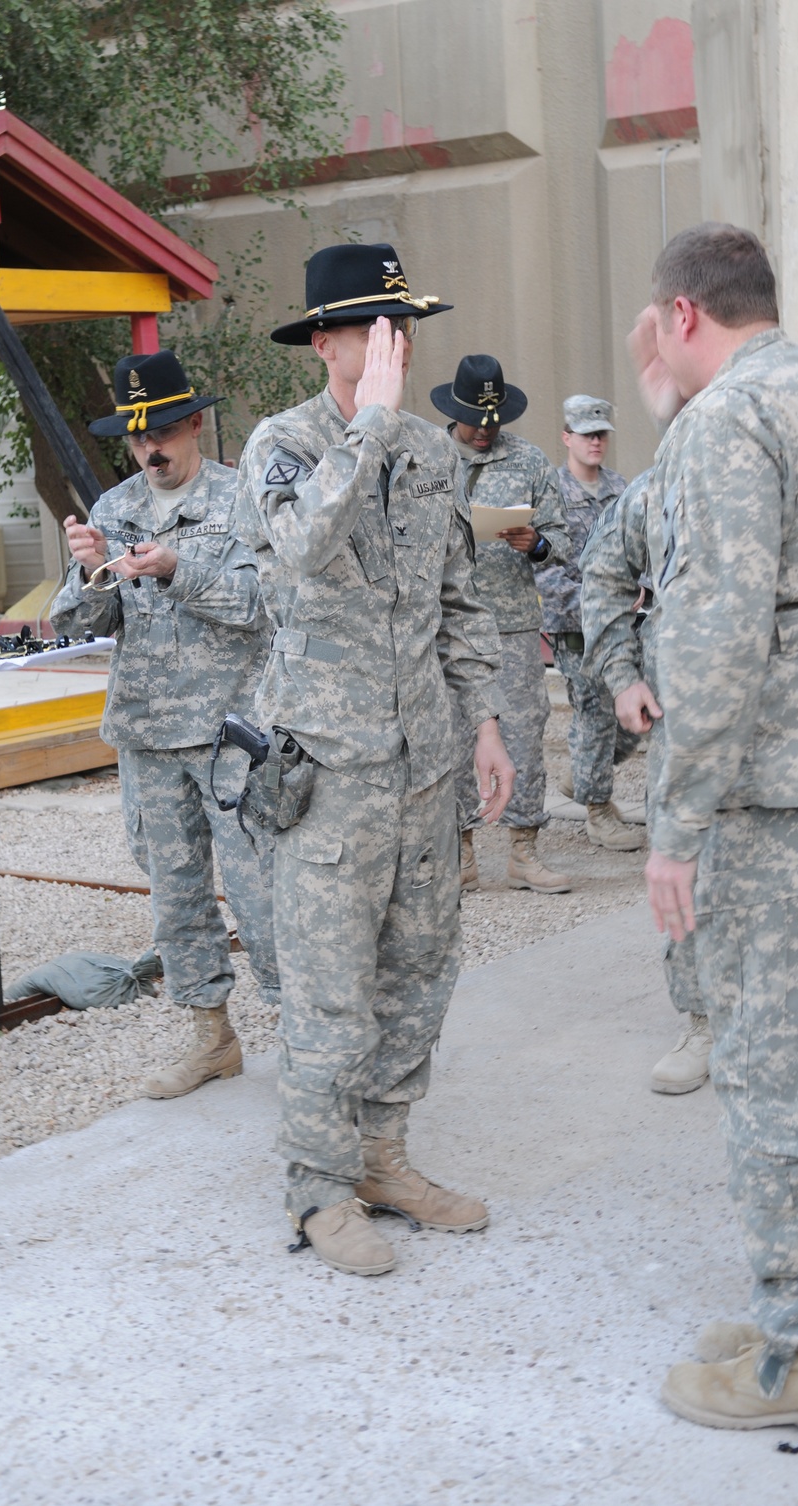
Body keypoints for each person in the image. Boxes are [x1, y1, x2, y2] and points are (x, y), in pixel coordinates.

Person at [591, 223, 798, 1436]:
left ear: (682, 315)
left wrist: (672, 823)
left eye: (649, 323)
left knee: (778, 1071)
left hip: (770, 799)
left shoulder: (726, 419)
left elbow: (718, 637)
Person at [235, 243, 514, 1278]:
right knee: (329, 990)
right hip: (328, 775)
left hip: (423, 768)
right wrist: (371, 425)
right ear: (324, 341)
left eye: (405, 329)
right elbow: (304, 550)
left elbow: (456, 600)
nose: (396, 347)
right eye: (373, 330)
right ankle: (317, 1189)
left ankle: (383, 1157)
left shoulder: (434, 456)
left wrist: (484, 723)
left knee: (418, 973)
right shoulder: (284, 444)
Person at [52, 349, 280, 1099]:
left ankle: (308, 1039)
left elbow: (258, 605)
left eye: (163, 431)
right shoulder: (114, 508)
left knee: (263, 897)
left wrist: (176, 567)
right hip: (149, 735)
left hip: (229, 736)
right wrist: (82, 566)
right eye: (136, 435)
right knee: (176, 899)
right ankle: (211, 1038)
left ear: (193, 424)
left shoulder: (242, 498)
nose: (151, 447)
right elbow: (82, 621)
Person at [582, 484, 714, 1097]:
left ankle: (788, 1019)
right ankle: (703, 1020)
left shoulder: (785, 462)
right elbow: (604, 571)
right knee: (685, 866)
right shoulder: (659, 488)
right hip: (682, 724)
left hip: (782, 727)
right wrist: (622, 676)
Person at [431, 355, 572, 894]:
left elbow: (561, 541)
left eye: (494, 420)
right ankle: (461, 852)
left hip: (511, 625)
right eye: (475, 419)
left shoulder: (531, 462)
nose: (486, 430)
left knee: (522, 734)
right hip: (447, 625)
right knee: (453, 737)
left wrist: (535, 543)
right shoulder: (428, 458)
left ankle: (523, 850)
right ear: (454, 410)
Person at [534, 394, 643, 853]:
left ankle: (583, 774)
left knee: (631, 721)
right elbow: (546, 566)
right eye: (586, 434)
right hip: (573, 624)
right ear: (567, 438)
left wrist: (638, 593)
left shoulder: (621, 489)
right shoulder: (551, 493)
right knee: (596, 713)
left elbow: (638, 551)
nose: (596, 442)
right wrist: (598, 603)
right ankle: (597, 810)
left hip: (622, 624)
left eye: (601, 434)